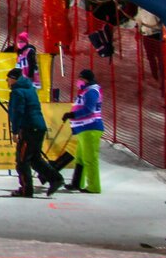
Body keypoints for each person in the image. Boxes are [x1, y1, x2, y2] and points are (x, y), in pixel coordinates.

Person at [8, 66, 64, 198]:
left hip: (28, 128)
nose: (7, 82)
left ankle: (26, 189)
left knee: (22, 160)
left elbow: (18, 112)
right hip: (38, 127)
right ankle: (55, 179)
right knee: (34, 158)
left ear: (14, 79)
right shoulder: (30, 89)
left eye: (8, 79)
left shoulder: (17, 92)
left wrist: (15, 131)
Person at [64, 69, 103, 193]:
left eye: (81, 78)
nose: (78, 81)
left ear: (86, 79)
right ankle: (77, 183)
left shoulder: (92, 91)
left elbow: (89, 109)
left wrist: (73, 115)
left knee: (90, 159)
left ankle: (94, 186)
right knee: (81, 158)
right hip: (83, 128)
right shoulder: (86, 91)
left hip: (90, 127)